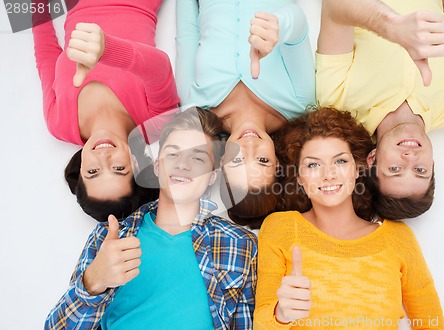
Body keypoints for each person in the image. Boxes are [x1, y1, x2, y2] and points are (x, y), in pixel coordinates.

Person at [45, 108, 258, 329]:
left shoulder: (240, 244)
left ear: (212, 176)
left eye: (197, 157)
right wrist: (92, 282)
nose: (183, 164)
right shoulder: (110, 237)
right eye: (173, 154)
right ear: (157, 167)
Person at [254, 107, 444, 329]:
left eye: (340, 161)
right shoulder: (280, 228)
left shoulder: (398, 238)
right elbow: (261, 323)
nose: (328, 174)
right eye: (313, 164)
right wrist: (280, 315)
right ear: (299, 178)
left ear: (357, 169)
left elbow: (432, 324)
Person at [316, 0, 444, 219]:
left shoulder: (337, 100)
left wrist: (392, 26)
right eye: (420, 170)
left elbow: (334, 8)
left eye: (395, 169)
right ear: (432, 163)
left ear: (372, 159)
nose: (410, 158)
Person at [32, 0, 179, 221]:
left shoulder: (58, 124)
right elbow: (160, 67)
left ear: (81, 170)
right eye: (118, 168)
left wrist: (35, 5)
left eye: (93, 172)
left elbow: (46, 55)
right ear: (136, 165)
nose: (103, 157)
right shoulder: (155, 123)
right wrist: (107, 50)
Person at [176, 0, 315, 228]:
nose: (249, 146)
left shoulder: (195, 105)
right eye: (262, 160)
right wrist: (278, 27)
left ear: (221, 162)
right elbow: (298, 28)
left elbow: (187, 34)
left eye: (238, 160)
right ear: (278, 162)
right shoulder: (299, 103)